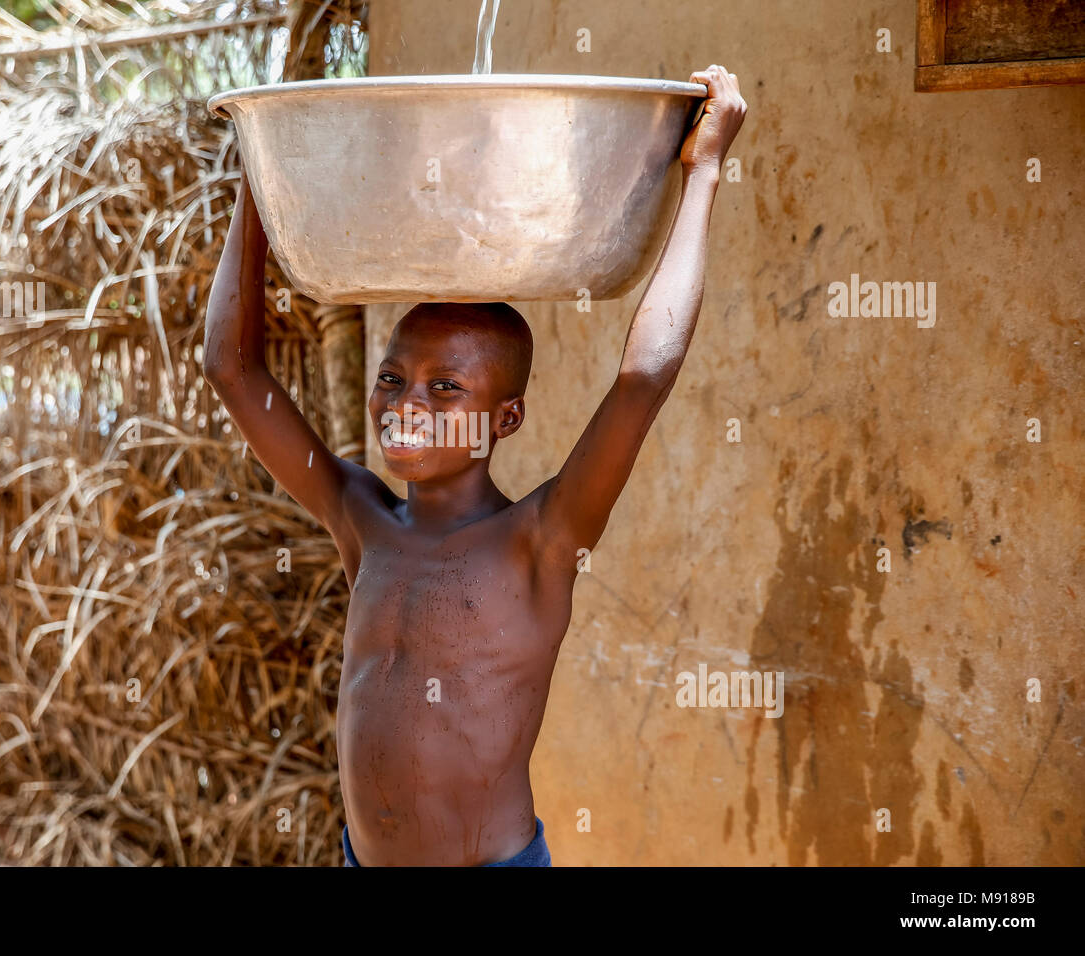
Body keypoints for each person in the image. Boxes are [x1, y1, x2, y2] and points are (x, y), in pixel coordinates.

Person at [203, 66, 747, 866]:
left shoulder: (541, 540)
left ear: (507, 420)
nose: (404, 403)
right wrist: (262, 176)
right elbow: (232, 371)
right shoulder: (361, 515)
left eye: (446, 387)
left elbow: (644, 377)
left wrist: (703, 173)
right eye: (393, 377)